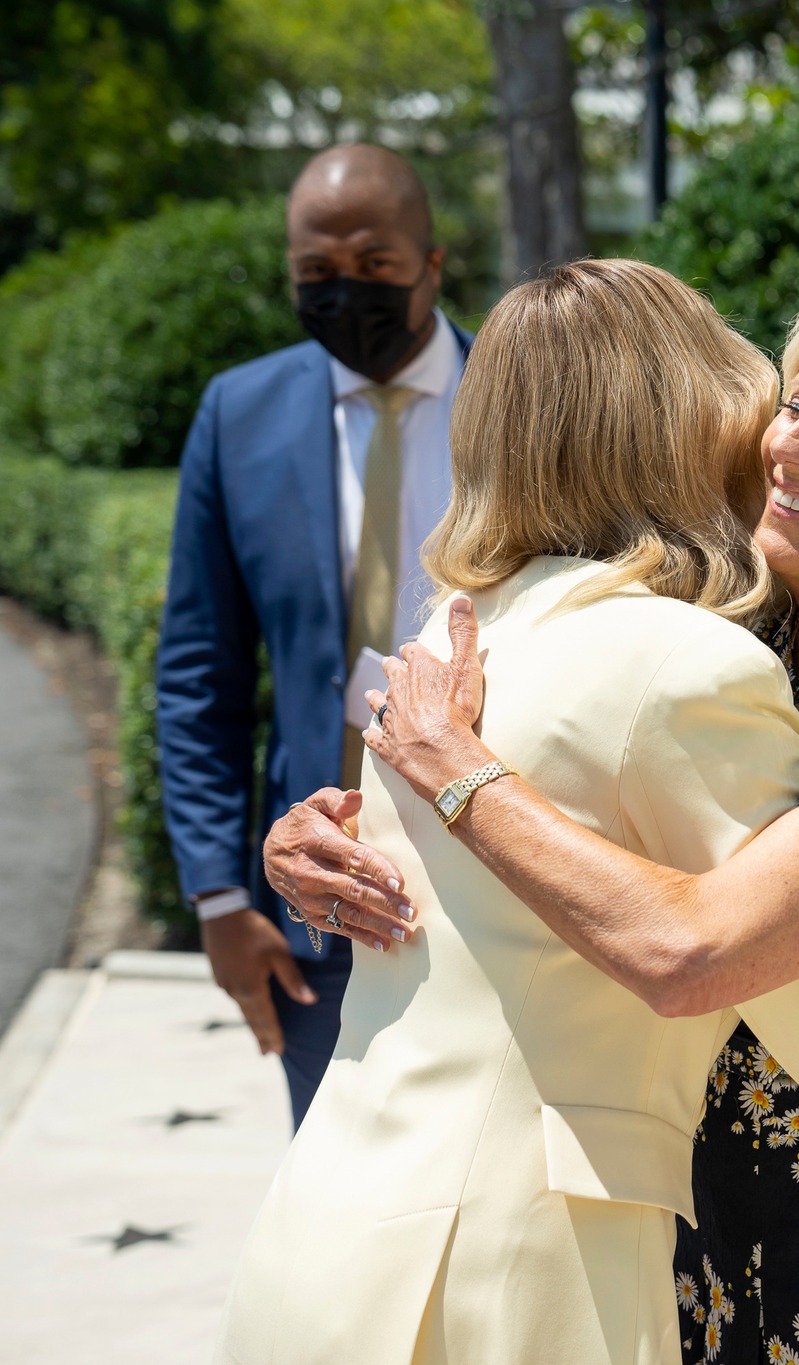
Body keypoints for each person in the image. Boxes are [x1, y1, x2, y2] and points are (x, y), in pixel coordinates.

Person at [218, 259, 799, 1365]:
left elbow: (717, 964)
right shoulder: (721, 636)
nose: (788, 445)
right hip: (686, 1239)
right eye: (796, 402)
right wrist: (337, 831)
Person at [156, 143, 470, 1126]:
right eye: (316, 276)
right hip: (318, 890)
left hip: (494, 874)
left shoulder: (520, 396)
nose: (346, 295)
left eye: (373, 267)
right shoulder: (238, 414)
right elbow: (200, 675)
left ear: (432, 262)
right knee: (334, 1210)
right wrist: (218, 899)